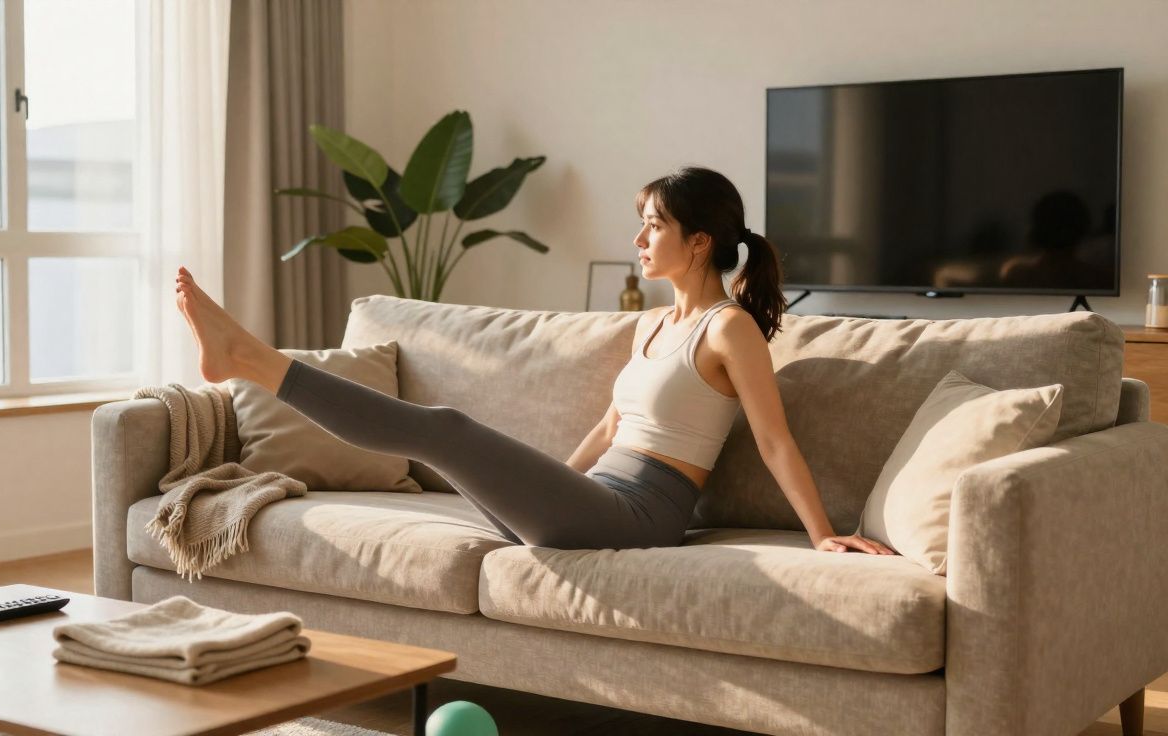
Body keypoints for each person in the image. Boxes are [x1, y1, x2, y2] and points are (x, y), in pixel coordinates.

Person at [174, 164, 893, 556]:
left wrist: (824, 536)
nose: (640, 241)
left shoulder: (727, 328)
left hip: (639, 516)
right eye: (641, 225)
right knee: (453, 441)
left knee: (444, 428)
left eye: (654, 227)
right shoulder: (650, 326)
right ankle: (245, 358)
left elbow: (774, 439)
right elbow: (610, 430)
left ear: (699, 241)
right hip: (594, 502)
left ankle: (248, 359)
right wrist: (548, 487)